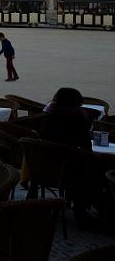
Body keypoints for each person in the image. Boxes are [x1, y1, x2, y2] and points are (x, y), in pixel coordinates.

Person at [38, 87, 99, 226]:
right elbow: (85, 145)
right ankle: (83, 210)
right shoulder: (79, 119)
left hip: (43, 166)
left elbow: (41, 137)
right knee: (93, 168)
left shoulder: (48, 116)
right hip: (70, 170)